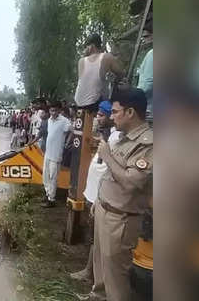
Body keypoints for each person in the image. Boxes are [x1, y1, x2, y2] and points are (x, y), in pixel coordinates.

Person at [84, 88, 152, 301]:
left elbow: (131, 182)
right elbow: (111, 176)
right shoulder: (124, 138)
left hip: (121, 220)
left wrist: (106, 155)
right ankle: (97, 295)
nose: (111, 117)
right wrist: (99, 200)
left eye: (114, 112)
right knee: (102, 268)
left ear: (130, 112)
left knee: (116, 277)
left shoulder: (148, 143)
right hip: (106, 209)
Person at [70, 100, 121, 284]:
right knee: (94, 237)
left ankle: (91, 273)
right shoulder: (106, 137)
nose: (97, 118)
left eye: (101, 115)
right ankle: (92, 272)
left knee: (96, 238)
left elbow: (111, 171)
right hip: (93, 195)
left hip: (100, 197)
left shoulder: (116, 139)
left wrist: (99, 197)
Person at [74, 33, 125, 108]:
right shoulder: (107, 57)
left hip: (78, 103)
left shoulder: (81, 61)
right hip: (96, 104)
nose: (85, 49)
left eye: (86, 46)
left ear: (92, 46)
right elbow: (121, 73)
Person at [41, 101, 71, 208]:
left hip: (56, 154)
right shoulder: (49, 120)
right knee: (45, 176)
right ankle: (48, 194)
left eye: (55, 110)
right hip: (48, 153)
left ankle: (51, 200)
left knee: (53, 177)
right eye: (51, 110)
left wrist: (67, 142)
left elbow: (71, 130)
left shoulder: (64, 121)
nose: (53, 113)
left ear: (59, 110)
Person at [137, 21, 153, 117]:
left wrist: (133, 94)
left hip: (150, 108)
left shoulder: (152, 54)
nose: (144, 40)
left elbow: (148, 84)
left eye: (146, 36)